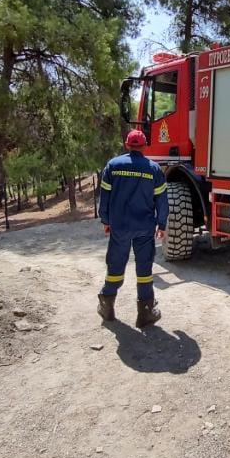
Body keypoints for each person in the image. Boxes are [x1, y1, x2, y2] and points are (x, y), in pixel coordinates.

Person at [97, 129, 169, 328]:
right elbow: (162, 201)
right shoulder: (154, 169)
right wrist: (161, 224)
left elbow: (104, 197)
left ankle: (107, 305)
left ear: (127, 145)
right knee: (144, 268)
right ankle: (145, 313)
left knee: (115, 265)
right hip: (144, 228)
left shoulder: (113, 165)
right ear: (144, 146)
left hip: (119, 226)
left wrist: (106, 220)